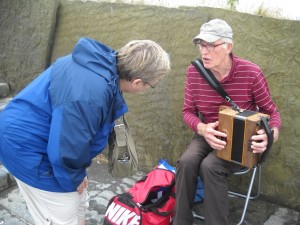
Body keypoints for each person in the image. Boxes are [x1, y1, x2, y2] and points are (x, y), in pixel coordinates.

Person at [0, 37, 170, 225]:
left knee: (80, 203)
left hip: (43, 136)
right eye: (151, 85)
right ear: (137, 82)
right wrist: (74, 177)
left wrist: (77, 175)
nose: (148, 89)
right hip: (26, 146)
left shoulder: (100, 68)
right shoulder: (91, 94)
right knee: (61, 216)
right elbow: (65, 150)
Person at [173, 19, 281, 225]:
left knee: (210, 166)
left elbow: (272, 113)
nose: (204, 51)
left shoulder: (251, 73)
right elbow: (187, 112)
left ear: (228, 47)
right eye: (201, 45)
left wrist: (270, 135)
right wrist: (203, 129)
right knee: (186, 163)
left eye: (211, 45)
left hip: (241, 140)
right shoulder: (194, 72)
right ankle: (180, 221)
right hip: (208, 132)